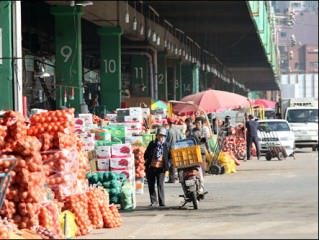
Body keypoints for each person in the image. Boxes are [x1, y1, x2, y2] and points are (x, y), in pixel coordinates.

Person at [144, 127, 169, 207]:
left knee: (160, 185)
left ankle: (162, 202)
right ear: (157, 136)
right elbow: (146, 154)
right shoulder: (152, 144)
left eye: (163, 136)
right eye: (160, 135)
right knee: (151, 184)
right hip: (151, 167)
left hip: (161, 168)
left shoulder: (166, 145)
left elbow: (170, 156)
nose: (161, 137)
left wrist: (168, 165)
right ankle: (154, 201)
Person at [166, 118, 184, 183]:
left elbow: (167, 142)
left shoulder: (169, 131)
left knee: (172, 164)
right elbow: (183, 138)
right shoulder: (178, 130)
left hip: (171, 149)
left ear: (169, 123)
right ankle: (181, 178)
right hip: (178, 148)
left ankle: (172, 178)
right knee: (179, 163)